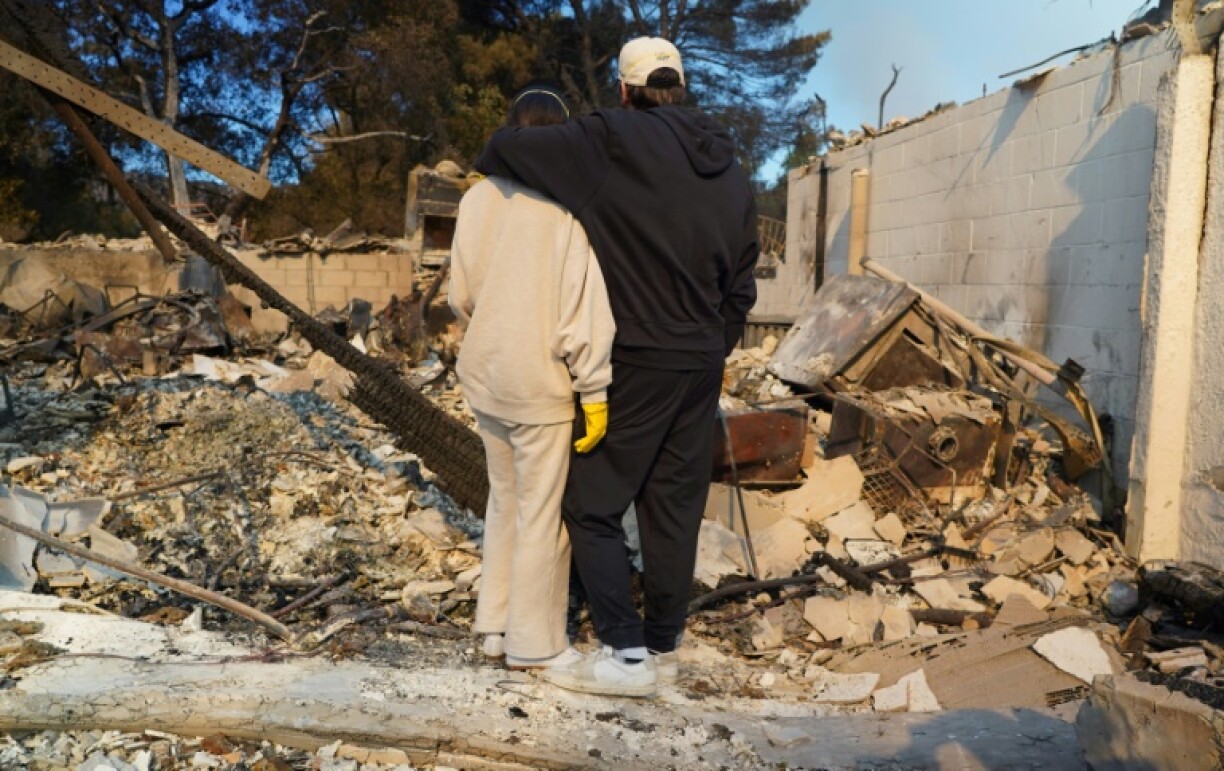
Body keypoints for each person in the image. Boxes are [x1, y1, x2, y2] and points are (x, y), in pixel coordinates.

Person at [475, 37, 759, 697]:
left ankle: (626, 655)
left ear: (627, 90)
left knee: (589, 502)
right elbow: (743, 281)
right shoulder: (732, 166)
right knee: (672, 506)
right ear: (679, 88)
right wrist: (715, 341)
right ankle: (663, 645)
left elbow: (501, 149)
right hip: (699, 364)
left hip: (633, 357)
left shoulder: (610, 138)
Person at [449, 84, 616, 671]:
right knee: (543, 515)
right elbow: (583, 314)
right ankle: (532, 645)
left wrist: (491, 328)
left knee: (504, 503)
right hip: (541, 386)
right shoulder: (561, 211)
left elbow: (459, 297)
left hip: (487, 377)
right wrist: (594, 389)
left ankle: (493, 626)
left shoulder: (474, 203)